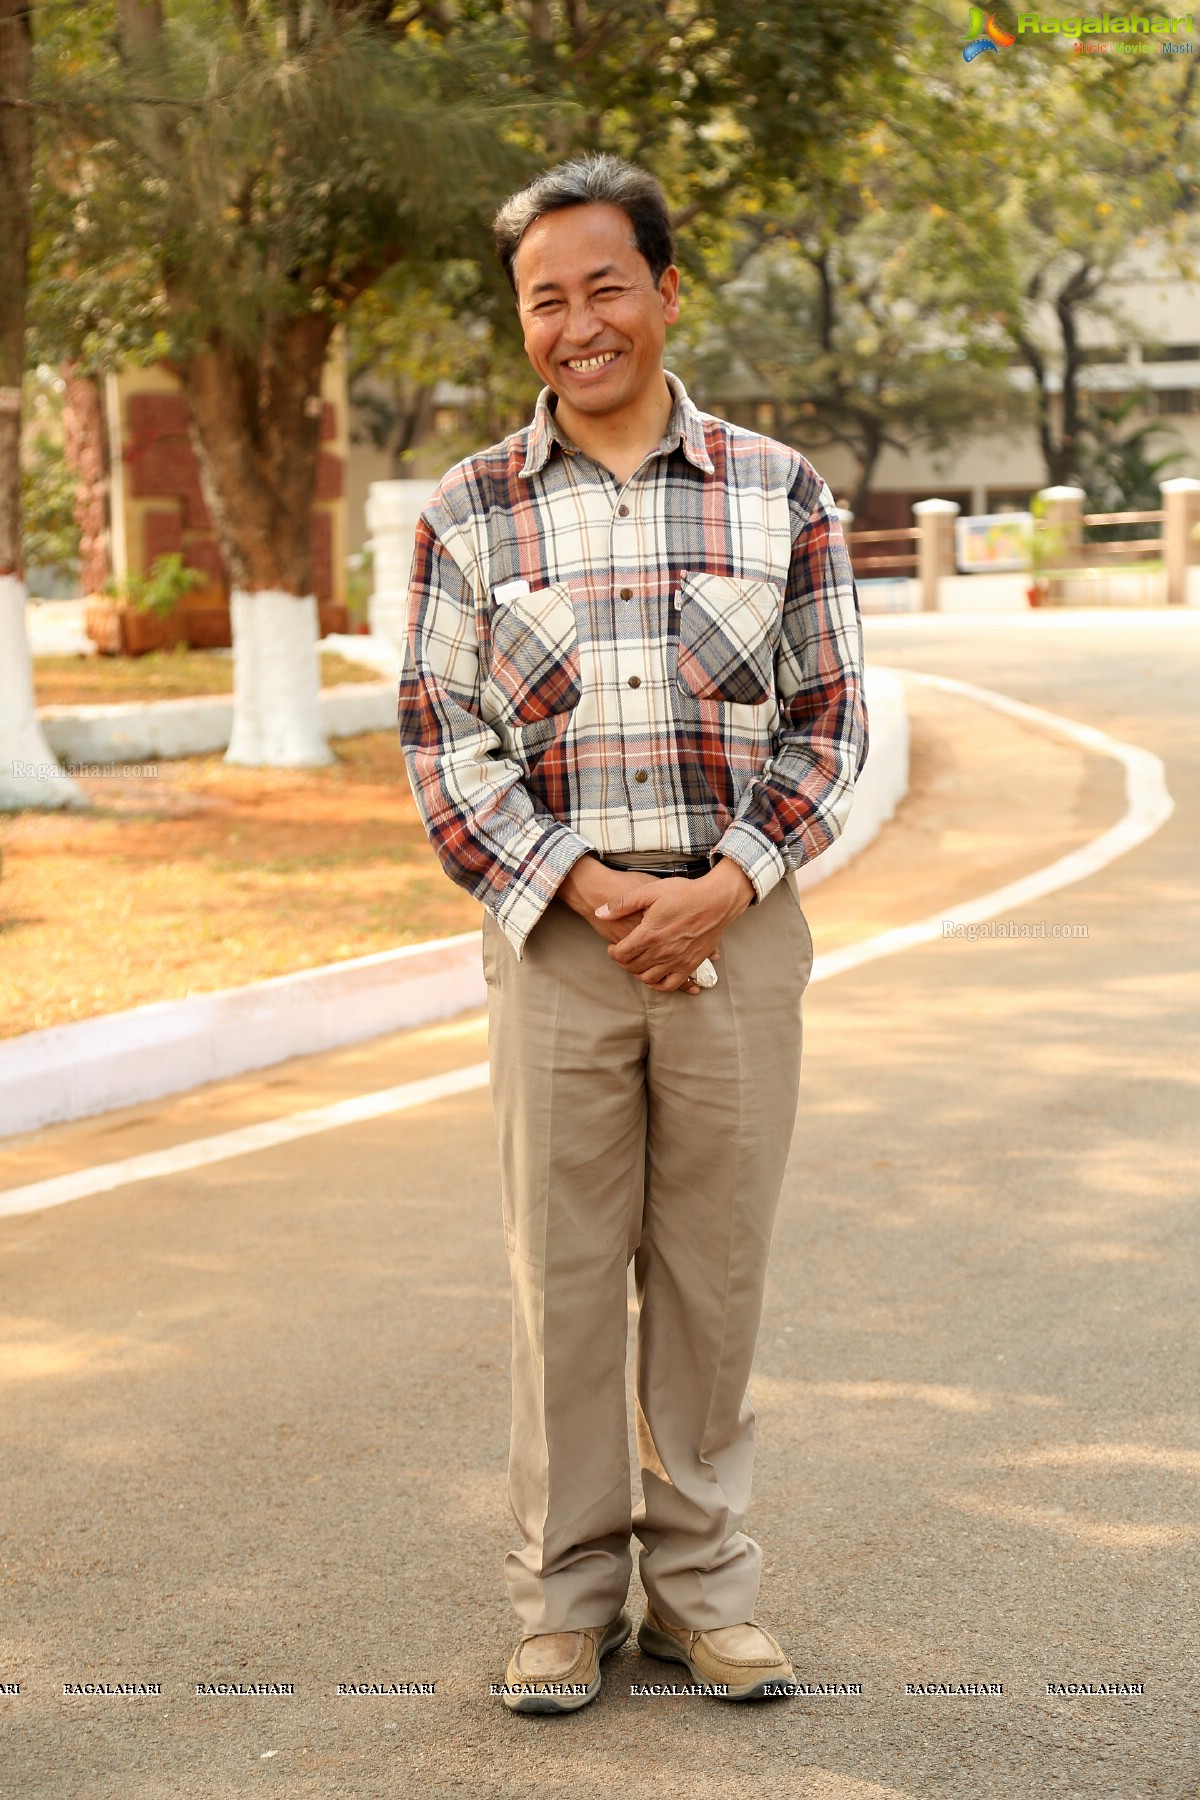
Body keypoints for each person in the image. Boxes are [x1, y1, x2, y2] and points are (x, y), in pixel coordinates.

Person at [398, 153, 868, 1714]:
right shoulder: (468, 510)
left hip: (737, 930)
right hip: (553, 939)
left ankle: (705, 1594)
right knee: (563, 1275)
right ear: (522, 321)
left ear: (667, 290)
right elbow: (444, 740)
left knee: (712, 1276)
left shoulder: (778, 491)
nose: (579, 323)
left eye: (607, 286)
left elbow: (829, 723)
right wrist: (591, 892)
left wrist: (723, 885)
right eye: (547, 299)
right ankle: (564, 1598)